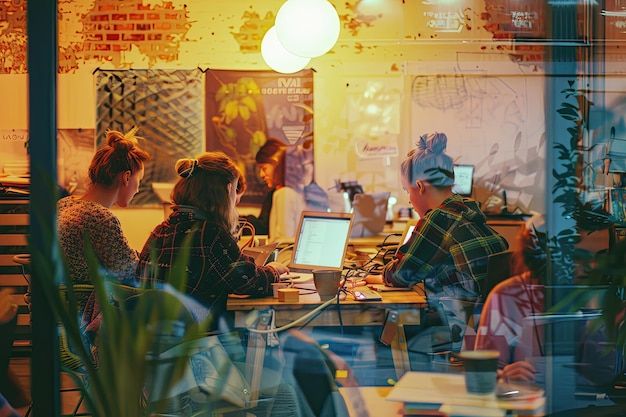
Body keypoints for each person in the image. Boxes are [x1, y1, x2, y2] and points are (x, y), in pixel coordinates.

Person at [373, 132, 509, 354]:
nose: (409, 199)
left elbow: (400, 275)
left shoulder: (438, 218)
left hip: (458, 330)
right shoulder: (467, 211)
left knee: (385, 328)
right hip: (490, 327)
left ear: (420, 186)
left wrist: (382, 271)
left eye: (408, 191)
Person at [135, 151, 289, 331]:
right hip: (194, 345)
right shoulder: (211, 235)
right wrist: (274, 270)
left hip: (152, 343)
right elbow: (248, 281)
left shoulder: (161, 230)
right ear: (227, 190)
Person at [57, 126, 150, 324]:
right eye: (138, 180)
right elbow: (132, 274)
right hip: (89, 319)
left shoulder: (65, 204)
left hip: (61, 310)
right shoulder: (99, 217)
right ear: (126, 177)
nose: (138, 189)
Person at [244, 138, 306, 242]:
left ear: (277, 163)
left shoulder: (283, 193)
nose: (261, 175)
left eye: (264, 168)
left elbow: (283, 239)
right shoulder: (295, 192)